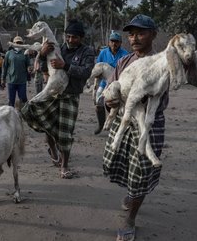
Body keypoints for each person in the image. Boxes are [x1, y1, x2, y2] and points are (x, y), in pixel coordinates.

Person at [102, 14, 164, 241]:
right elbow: (110, 89)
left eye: (141, 33)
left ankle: (130, 219)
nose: (134, 38)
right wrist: (108, 100)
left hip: (148, 125)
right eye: (131, 34)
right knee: (120, 166)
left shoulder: (160, 64)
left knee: (141, 173)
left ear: (153, 35)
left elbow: (162, 100)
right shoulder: (122, 63)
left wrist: (141, 98)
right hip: (122, 122)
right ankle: (131, 194)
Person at [20, 19, 95, 179]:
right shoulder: (58, 47)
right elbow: (41, 66)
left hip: (70, 96)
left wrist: (65, 66)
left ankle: (64, 166)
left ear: (81, 38)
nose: (70, 40)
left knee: (65, 132)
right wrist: (42, 54)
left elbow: (86, 72)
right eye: (68, 36)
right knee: (46, 125)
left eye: (74, 37)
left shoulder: (86, 52)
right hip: (53, 94)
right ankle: (53, 150)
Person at [93, 30, 129, 135]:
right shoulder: (103, 52)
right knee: (98, 102)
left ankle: (115, 123)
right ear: (109, 42)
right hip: (104, 83)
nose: (114, 43)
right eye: (112, 41)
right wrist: (96, 84)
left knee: (116, 104)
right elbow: (98, 66)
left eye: (117, 41)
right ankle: (100, 124)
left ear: (120, 43)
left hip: (118, 84)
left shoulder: (125, 54)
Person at [2, 36, 31, 107]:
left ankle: (23, 115)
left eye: (20, 43)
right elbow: (5, 66)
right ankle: (11, 115)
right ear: (13, 44)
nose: (18, 44)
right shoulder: (8, 53)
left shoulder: (25, 54)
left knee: (23, 100)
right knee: (11, 101)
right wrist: (3, 79)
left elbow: (28, 65)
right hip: (11, 81)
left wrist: (29, 69)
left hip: (22, 81)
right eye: (17, 43)